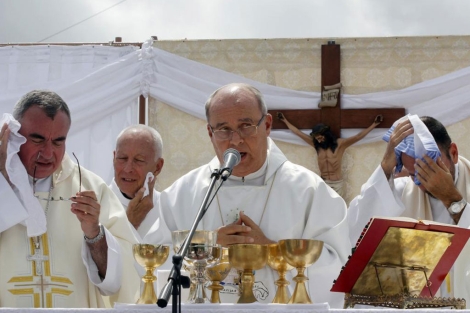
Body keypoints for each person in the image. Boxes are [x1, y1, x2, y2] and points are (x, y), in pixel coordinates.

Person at [159, 83, 351, 307]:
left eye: (246, 126)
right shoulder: (180, 195)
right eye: (223, 129)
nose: (235, 140)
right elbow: (157, 271)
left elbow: (338, 271)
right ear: (210, 133)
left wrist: (272, 251)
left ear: (267, 125)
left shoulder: (309, 191)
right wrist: (209, 251)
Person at [0, 90, 140, 308]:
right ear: (13, 136)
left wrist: (95, 235)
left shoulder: (91, 188)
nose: (48, 153)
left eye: (58, 142)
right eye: (37, 139)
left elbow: (124, 280)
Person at [348, 115, 470, 300]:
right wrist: (385, 169)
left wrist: (451, 198)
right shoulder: (403, 191)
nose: (423, 182)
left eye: (431, 168)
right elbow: (355, 230)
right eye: (415, 174)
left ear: (453, 153)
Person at [278, 112, 383, 197]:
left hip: (336, 184)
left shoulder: (340, 144)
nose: (319, 140)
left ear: (327, 135)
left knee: (338, 212)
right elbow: (298, 133)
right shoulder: (316, 146)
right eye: (317, 138)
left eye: (320, 137)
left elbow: (358, 136)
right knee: (323, 212)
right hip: (323, 183)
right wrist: (284, 120)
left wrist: (374, 124)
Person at [110, 125, 166, 243]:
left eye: (139, 160)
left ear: (158, 167)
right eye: (122, 158)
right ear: (114, 158)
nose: (128, 168)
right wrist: (131, 222)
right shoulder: (96, 205)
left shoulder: (168, 209)